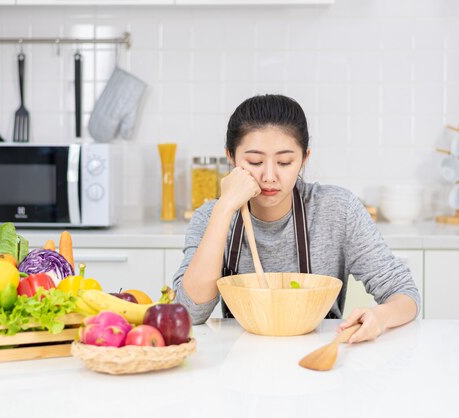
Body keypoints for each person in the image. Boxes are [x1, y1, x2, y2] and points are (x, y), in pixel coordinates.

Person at [173, 94, 420, 344]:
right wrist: (225, 208)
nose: (269, 176)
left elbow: (404, 293)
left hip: (318, 351)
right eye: (255, 161)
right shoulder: (211, 217)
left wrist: (380, 317)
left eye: (284, 162)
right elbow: (189, 313)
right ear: (231, 157)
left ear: (304, 159)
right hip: (243, 354)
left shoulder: (337, 210)